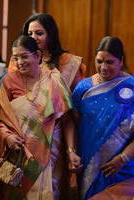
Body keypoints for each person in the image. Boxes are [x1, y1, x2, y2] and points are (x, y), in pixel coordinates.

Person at [0, 35, 82, 200]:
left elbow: (67, 120)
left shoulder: (54, 80)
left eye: (24, 56)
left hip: (49, 152)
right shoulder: (8, 81)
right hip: (18, 154)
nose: (20, 62)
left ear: (37, 56)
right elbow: (1, 119)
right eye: (16, 58)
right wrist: (7, 137)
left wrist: (71, 151)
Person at [72, 36, 134, 200]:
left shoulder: (132, 87)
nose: (103, 67)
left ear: (121, 61)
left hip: (122, 167)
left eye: (110, 62)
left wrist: (123, 158)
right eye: (99, 61)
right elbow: (72, 124)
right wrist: (71, 152)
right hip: (87, 165)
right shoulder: (82, 88)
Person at [8, 13, 86, 90]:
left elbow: (79, 95)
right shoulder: (18, 59)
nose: (33, 38)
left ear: (51, 35)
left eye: (39, 33)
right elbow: (11, 89)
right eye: (30, 34)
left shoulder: (69, 62)